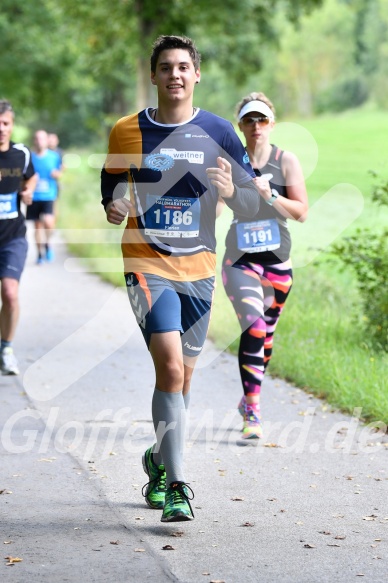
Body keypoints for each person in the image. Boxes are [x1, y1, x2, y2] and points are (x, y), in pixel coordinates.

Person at [101, 35, 259, 522]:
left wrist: (234, 191)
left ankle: (157, 459)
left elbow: (252, 205)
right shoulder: (126, 132)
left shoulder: (220, 132)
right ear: (153, 76)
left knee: (183, 380)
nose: (174, 74)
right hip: (146, 263)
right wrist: (114, 206)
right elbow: (109, 191)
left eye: (183, 67)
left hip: (200, 269)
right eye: (165, 67)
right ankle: (178, 487)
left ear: (196, 75)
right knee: (169, 369)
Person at [220, 92, 308, 440]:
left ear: (271, 123)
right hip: (239, 261)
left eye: (262, 119)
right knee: (254, 326)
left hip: (278, 264)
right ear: (240, 125)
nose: (256, 126)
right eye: (249, 120)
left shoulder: (286, 161)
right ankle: (254, 410)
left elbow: (301, 213)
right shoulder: (230, 160)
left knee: (265, 338)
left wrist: (270, 194)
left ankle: (247, 397)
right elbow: (215, 203)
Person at [0, 99, 36, 375]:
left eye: (5, 123)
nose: (1, 128)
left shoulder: (21, 154)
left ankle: (6, 348)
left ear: (12, 126)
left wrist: (28, 191)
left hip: (13, 236)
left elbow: (30, 177)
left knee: (10, 293)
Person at [26, 129, 62, 263]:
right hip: (34, 196)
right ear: (34, 141)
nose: (40, 141)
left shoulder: (54, 156)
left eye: (42, 138)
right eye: (37, 138)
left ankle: (47, 243)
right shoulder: (30, 157)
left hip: (49, 195)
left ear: (47, 141)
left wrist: (56, 174)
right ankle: (39, 254)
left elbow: (60, 172)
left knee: (48, 221)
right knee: (37, 226)